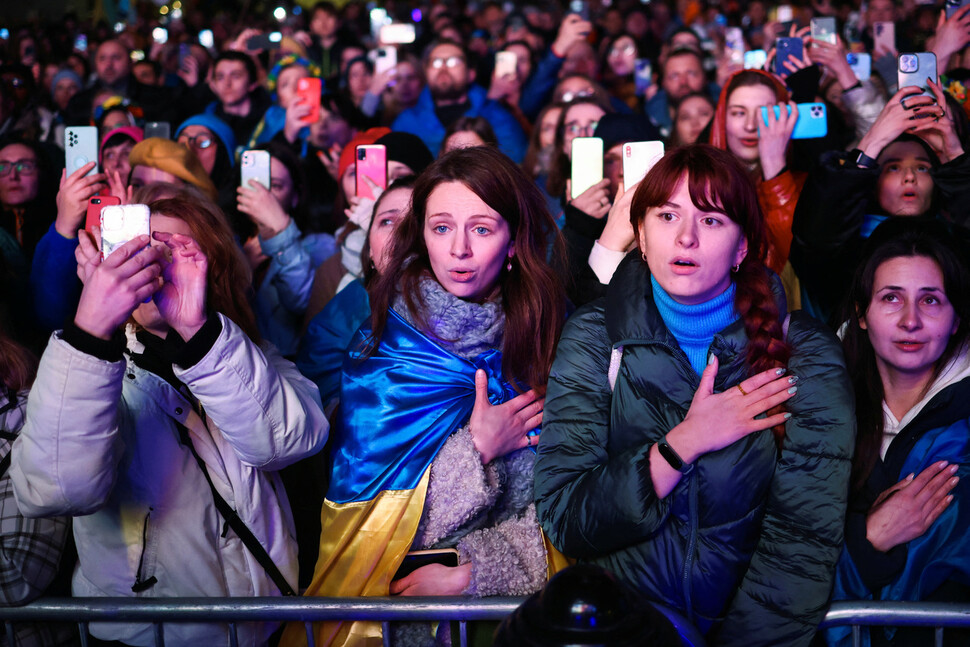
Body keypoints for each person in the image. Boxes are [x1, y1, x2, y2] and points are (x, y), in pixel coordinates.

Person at [534, 144, 855, 646]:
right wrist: (679, 446)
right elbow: (567, 516)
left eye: (711, 221)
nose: (685, 237)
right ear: (639, 235)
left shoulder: (803, 350)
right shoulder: (595, 336)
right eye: (667, 216)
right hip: (625, 634)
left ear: (743, 246)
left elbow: (800, 543)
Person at [10, 189, 329, 646]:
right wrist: (92, 332)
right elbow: (56, 489)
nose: (149, 268)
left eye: (168, 252)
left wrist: (197, 331)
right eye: (136, 249)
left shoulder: (253, 357)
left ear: (209, 268)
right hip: (148, 634)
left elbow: (285, 443)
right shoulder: (88, 372)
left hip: (264, 625)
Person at [281, 146, 568, 647]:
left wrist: (479, 571)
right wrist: (476, 448)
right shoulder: (387, 349)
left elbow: (569, 504)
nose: (459, 249)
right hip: (401, 618)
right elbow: (370, 520)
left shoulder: (547, 337)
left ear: (514, 242)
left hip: (513, 619)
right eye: (441, 228)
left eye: (481, 228)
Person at [829, 218, 970, 647]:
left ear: (956, 319)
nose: (911, 321)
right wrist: (870, 538)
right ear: (863, 315)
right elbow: (786, 571)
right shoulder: (820, 416)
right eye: (891, 298)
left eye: (931, 300)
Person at [790, 80, 970, 326]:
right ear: (873, 182)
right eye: (893, 167)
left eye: (922, 167)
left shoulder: (953, 240)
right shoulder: (845, 246)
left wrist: (953, 155)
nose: (910, 177)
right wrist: (873, 140)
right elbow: (816, 235)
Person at [392, 39, 528, 163]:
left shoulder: (498, 117)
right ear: (426, 72)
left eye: (453, 62)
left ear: (471, 73)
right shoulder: (406, 122)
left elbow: (514, 169)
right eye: (435, 62)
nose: (443, 68)